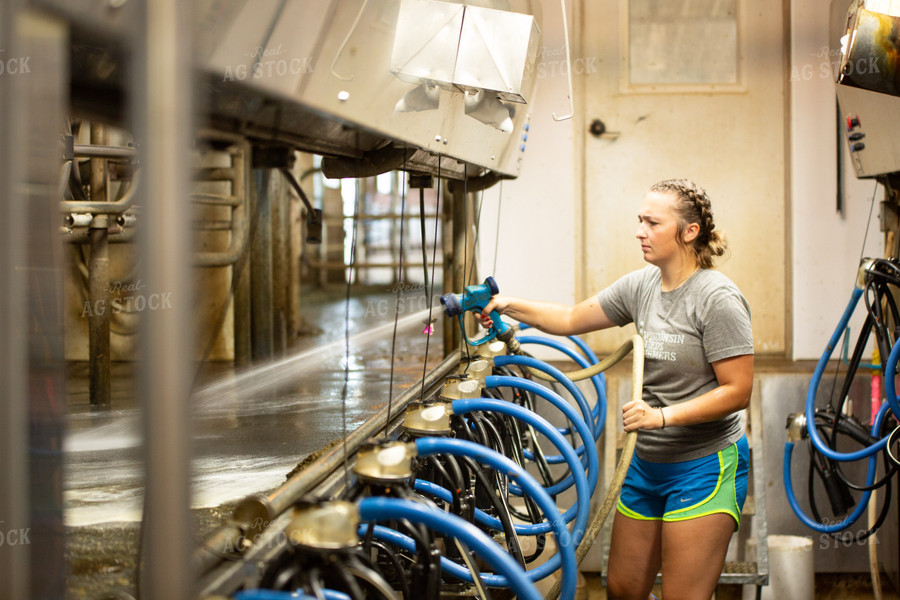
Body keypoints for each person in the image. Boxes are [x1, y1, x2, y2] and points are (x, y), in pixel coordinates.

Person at [480, 179, 754, 600]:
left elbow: (737, 392)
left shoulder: (717, 298)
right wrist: (508, 305)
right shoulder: (641, 286)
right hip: (646, 462)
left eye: (652, 222)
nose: (640, 231)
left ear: (689, 231)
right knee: (624, 590)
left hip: (704, 464)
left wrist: (662, 417)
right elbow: (571, 317)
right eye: (639, 220)